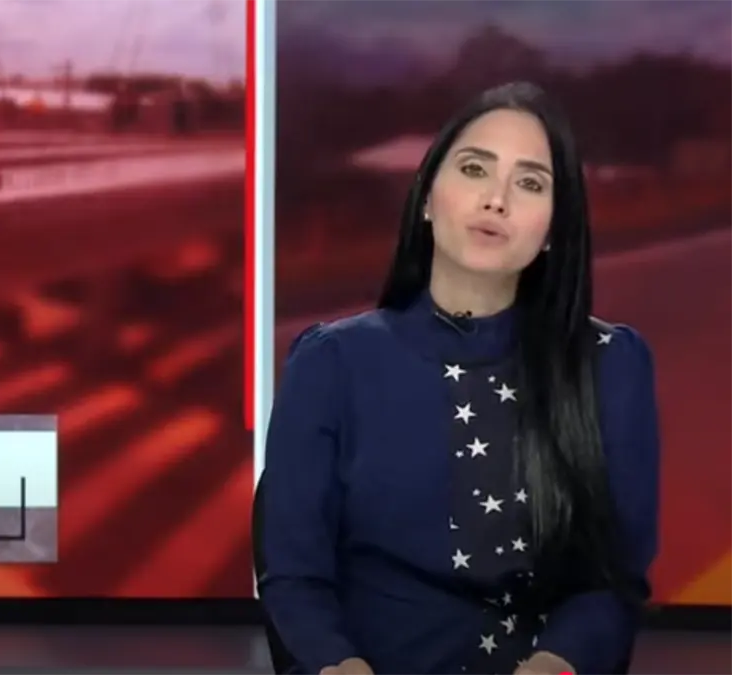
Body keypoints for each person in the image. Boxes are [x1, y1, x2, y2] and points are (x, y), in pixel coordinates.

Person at [257, 81, 659, 675]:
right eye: (474, 169)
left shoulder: (611, 364)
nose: (496, 200)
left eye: (529, 183)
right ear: (426, 197)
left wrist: (553, 666)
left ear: (553, 228)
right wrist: (339, 665)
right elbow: (294, 577)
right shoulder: (330, 363)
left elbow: (612, 583)